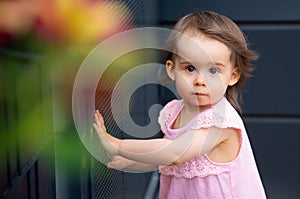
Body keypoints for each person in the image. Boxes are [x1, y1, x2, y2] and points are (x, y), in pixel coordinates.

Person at [93, 10, 266, 198]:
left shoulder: (221, 121)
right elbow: (165, 160)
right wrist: (130, 161)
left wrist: (118, 145)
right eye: (190, 68)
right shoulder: (175, 112)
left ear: (232, 76)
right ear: (172, 69)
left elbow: (175, 154)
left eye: (214, 70)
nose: (200, 80)